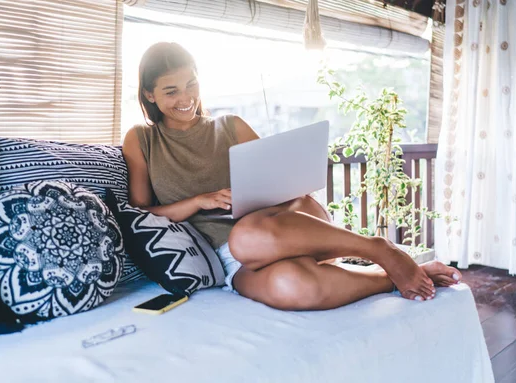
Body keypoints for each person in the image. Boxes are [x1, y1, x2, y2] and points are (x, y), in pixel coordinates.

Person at [123, 42, 462, 311]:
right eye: (171, 91)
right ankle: (389, 276)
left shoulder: (230, 126)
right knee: (294, 287)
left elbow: (280, 180)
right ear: (150, 94)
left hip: (281, 228)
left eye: (191, 84)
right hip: (229, 259)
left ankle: (380, 249)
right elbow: (141, 215)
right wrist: (200, 201)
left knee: (247, 236)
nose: (186, 98)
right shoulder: (141, 140)